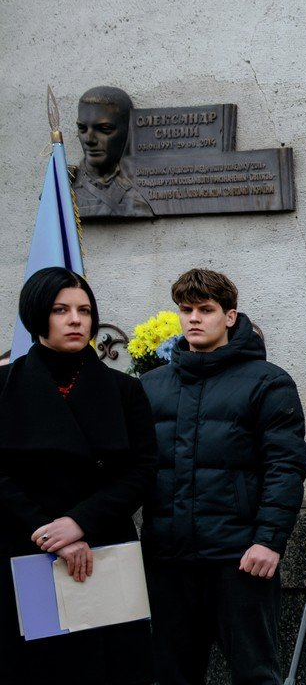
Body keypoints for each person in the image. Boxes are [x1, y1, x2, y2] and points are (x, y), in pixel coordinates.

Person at [140, 269, 306, 685]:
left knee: (255, 675)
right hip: (169, 561)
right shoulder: (151, 386)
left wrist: (269, 540)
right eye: (186, 310)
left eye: (206, 309)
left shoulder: (268, 382)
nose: (194, 318)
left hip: (239, 560)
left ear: (230, 316)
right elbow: (136, 470)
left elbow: (285, 467)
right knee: (170, 676)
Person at [0, 267, 157, 684]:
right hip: (25, 549)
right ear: (37, 315)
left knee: (110, 669)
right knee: (36, 668)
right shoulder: (4, 387)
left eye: (84, 310)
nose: (75, 320)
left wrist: (80, 522)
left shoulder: (125, 390)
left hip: (103, 548)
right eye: (61, 310)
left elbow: (142, 470)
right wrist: (48, 532)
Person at [71, 86, 155, 219]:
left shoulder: (138, 199)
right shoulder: (62, 192)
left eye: (104, 129)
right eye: (82, 128)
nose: (89, 140)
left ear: (128, 131)